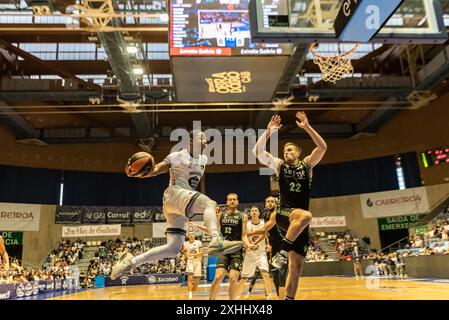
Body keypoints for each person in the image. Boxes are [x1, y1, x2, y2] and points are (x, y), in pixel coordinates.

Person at [111, 131, 242, 280]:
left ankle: (131, 261)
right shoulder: (177, 156)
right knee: (209, 204)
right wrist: (133, 173)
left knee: (173, 248)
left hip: (180, 205)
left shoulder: (204, 159)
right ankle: (215, 239)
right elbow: (154, 170)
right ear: (190, 141)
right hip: (174, 194)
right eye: (202, 139)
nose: (205, 142)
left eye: (206, 140)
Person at [250, 110, 327, 300]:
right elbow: (257, 152)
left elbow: (323, 147)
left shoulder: (307, 165)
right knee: (307, 216)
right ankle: (282, 252)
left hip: (298, 223)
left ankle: (288, 298)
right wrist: (268, 132)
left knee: (297, 267)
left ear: (299, 153)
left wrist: (307, 127)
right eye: (284, 150)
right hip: (285, 213)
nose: (286, 152)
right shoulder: (279, 165)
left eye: (290, 149)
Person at [209, 193, 253, 300]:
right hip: (223, 249)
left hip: (237, 250)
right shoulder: (221, 215)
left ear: (237, 201)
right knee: (218, 277)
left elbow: (244, 235)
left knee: (233, 279)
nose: (232, 201)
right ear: (227, 202)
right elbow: (216, 232)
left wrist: (248, 244)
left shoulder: (243, 216)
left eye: (234, 199)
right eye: (230, 199)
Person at [237, 206, 273, 300]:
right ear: (250, 213)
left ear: (259, 213)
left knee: (265, 274)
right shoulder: (247, 224)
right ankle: (236, 297)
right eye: (252, 211)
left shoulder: (263, 223)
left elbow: (264, 235)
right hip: (250, 253)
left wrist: (265, 244)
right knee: (244, 278)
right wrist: (249, 245)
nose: (253, 212)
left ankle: (269, 296)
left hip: (261, 253)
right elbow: (244, 236)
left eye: (255, 211)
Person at [264, 196, 286, 299]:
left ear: (275, 204)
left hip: (282, 246)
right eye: (268, 201)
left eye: (272, 201)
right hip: (273, 248)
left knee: (281, 275)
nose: (270, 203)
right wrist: (268, 244)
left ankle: (284, 296)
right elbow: (267, 233)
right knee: (275, 276)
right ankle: (279, 296)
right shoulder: (265, 215)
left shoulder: (277, 214)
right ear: (265, 204)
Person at [183, 231, 203, 299]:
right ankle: (190, 295)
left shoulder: (198, 242)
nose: (191, 235)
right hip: (190, 262)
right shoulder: (185, 244)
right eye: (190, 234)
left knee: (196, 281)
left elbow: (201, 253)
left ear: (194, 235)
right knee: (190, 279)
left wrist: (193, 255)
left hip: (197, 262)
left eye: (192, 234)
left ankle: (191, 291)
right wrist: (183, 257)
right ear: (188, 236)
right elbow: (185, 254)